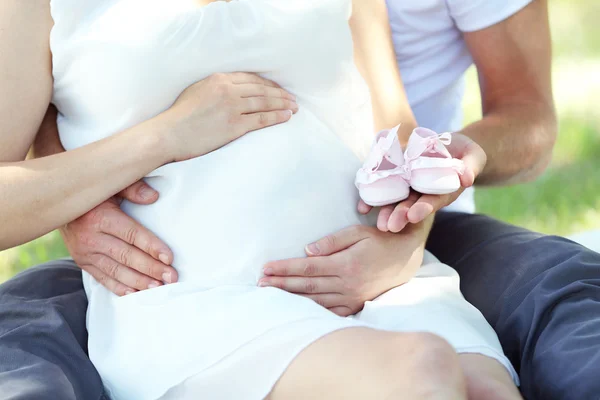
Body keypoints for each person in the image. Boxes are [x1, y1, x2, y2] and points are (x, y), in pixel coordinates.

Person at [0, 0, 523, 399]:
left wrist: (404, 245)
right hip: (201, 303)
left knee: (483, 388)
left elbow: (395, 132)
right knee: (422, 371)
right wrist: (162, 137)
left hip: (380, 284)